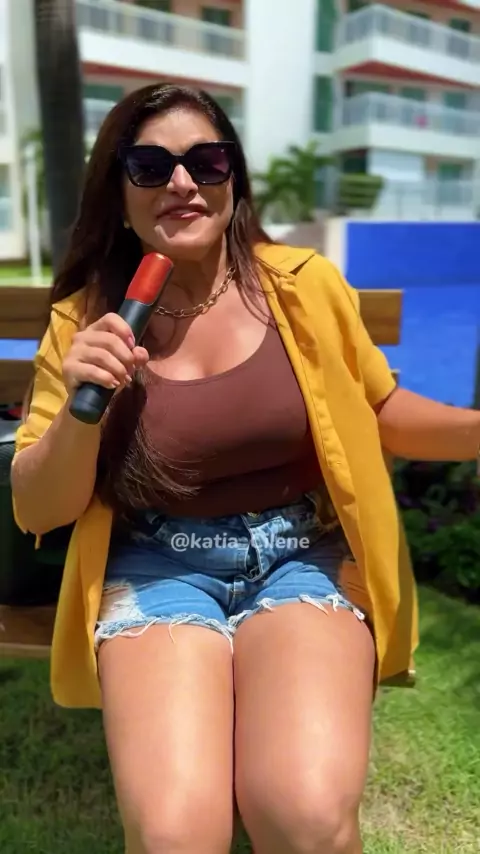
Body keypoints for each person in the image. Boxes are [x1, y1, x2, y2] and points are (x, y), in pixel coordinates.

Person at [10, 82, 480, 854]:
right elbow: (39, 509)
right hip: (157, 561)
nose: (183, 183)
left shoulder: (303, 285)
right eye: (150, 166)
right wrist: (80, 407)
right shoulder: (85, 321)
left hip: (301, 555)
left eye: (208, 161)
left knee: (304, 816)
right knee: (176, 835)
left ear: (235, 179)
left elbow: (384, 410)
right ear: (118, 193)